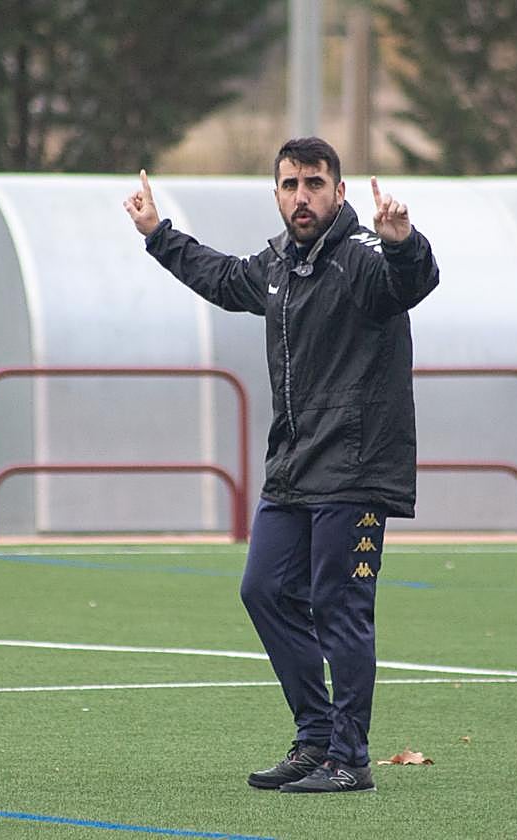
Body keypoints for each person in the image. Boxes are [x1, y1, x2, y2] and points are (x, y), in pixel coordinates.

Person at [123, 137, 439, 792]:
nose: (302, 196)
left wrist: (405, 240)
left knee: (340, 605)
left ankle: (349, 759)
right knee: (262, 589)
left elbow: (413, 283)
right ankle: (315, 737)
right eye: (291, 184)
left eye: (315, 183)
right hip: (295, 466)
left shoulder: (365, 261)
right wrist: (158, 234)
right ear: (276, 194)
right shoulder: (277, 266)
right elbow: (219, 277)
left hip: (354, 469)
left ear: (340, 192)